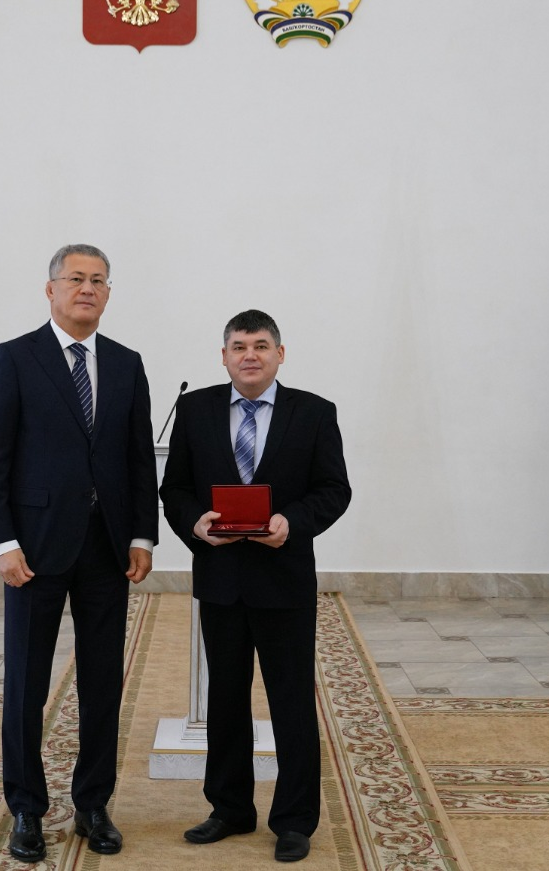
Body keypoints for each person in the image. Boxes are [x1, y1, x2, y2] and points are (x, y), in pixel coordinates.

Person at [0, 244, 157, 863]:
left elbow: (138, 458)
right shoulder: (14, 358)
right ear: (50, 289)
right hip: (34, 550)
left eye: (98, 280)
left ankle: (93, 804)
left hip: (107, 549)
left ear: (108, 293)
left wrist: (142, 535)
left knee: (103, 682)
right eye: (75, 278)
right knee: (27, 683)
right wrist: (2, 542)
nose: (87, 289)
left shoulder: (127, 364)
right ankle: (26, 807)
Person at [159, 309, 351, 863]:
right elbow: (175, 490)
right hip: (220, 580)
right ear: (223, 356)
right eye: (239, 346)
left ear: (279, 354)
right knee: (224, 700)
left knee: (291, 703)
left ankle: (294, 820)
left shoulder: (314, 412)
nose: (250, 355)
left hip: (284, 580)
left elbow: (334, 489)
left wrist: (292, 522)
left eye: (261, 345)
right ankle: (229, 809)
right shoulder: (194, 410)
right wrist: (194, 524)